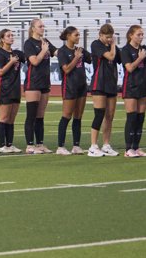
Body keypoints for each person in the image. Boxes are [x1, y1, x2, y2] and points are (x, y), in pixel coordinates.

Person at [119, 24, 146, 157]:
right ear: (131, 35)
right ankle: (128, 149)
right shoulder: (125, 50)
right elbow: (129, 68)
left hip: (142, 86)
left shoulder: (144, 49)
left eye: (142, 34)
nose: (141, 37)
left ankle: (136, 147)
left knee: (141, 118)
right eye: (138, 34)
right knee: (132, 117)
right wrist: (140, 58)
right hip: (130, 87)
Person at [22, 18, 55, 154]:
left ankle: (40, 143)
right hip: (33, 83)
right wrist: (43, 51)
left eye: (43, 26)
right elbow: (34, 61)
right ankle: (30, 145)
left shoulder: (45, 42)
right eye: (40, 26)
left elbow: (57, 52)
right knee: (32, 115)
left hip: (44, 82)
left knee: (40, 116)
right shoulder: (29, 43)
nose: (42, 28)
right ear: (33, 28)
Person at [87, 24, 121, 157]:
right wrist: (113, 45)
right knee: (99, 114)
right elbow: (111, 57)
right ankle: (93, 145)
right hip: (99, 84)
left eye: (111, 37)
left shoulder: (112, 46)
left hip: (111, 84)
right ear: (100, 35)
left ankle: (106, 144)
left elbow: (120, 58)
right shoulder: (96, 44)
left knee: (110, 116)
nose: (109, 40)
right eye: (107, 37)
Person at [56, 27, 90, 155]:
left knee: (78, 117)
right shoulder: (62, 52)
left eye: (79, 35)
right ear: (69, 36)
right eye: (76, 35)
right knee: (66, 116)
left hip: (82, 86)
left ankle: (76, 145)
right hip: (69, 87)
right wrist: (76, 58)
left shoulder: (80, 50)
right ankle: (60, 146)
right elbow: (66, 69)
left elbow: (92, 59)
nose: (78, 37)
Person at [0, 29, 24, 153]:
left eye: (12, 35)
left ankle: (9, 144)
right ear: (2, 39)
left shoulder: (17, 53)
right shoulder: (0, 54)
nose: (11, 37)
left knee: (11, 119)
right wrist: (10, 62)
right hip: (4, 88)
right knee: (4, 117)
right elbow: (0, 72)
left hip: (15, 88)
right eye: (8, 36)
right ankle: (1, 145)